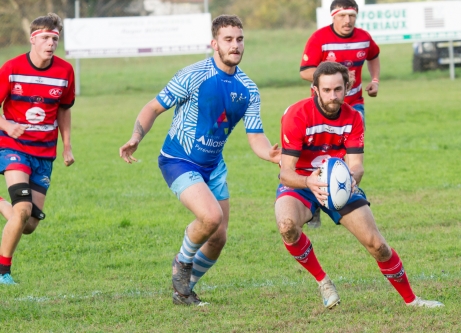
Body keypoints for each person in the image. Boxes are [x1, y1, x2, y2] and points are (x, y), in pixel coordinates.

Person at [119, 15, 280, 306]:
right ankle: (182, 261)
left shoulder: (249, 89)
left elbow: (256, 136)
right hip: (178, 160)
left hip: (213, 166)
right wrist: (136, 136)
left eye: (239, 39)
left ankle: (183, 290)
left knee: (218, 237)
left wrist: (272, 154)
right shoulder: (193, 75)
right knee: (211, 217)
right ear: (214, 43)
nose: (235, 45)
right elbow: (153, 107)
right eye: (228, 39)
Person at [275, 61, 443, 309]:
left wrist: (350, 179)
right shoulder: (297, 115)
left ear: (347, 88)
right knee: (287, 226)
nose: (333, 96)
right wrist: (309, 182)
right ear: (315, 89)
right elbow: (285, 173)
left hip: (338, 184)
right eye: (327, 90)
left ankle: (412, 300)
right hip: (301, 183)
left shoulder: (353, 117)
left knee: (378, 246)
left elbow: (357, 166)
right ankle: (324, 282)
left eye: (338, 90)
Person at [0, 13, 75, 285]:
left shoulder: (65, 71)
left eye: (55, 38)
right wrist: (8, 127)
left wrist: (67, 146)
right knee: (21, 210)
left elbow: (64, 111)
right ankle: (3, 273)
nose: (51, 43)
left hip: (44, 153)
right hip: (13, 147)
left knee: (29, 224)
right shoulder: (11, 68)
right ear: (33, 39)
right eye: (45, 37)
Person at [300, 0, 380, 228]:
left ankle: (346, 193)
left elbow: (373, 55)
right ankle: (314, 200)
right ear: (333, 16)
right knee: (318, 152)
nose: (347, 20)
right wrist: (337, 77)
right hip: (322, 108)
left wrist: (375, 80)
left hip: (354, 105)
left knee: (350, 154)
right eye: (343, 15)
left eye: (352, 16)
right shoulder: (319, 38)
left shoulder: (364, 37)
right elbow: (305, 72)